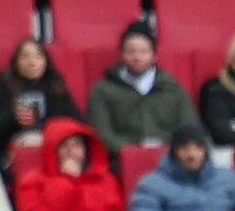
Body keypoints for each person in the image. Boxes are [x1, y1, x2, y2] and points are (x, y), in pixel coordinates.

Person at [85, 21, 198, 157]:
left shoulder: (173, 89)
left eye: (144, 51)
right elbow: (101, 132)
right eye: (131, 51)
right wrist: (131, 152)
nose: (137, 57)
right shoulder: (102, 90)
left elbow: (190, 128)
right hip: (120, 159)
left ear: (154, 55)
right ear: (122, 54)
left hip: (170, 159)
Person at [0, 38, 81, 167]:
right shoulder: (1, 91)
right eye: (25, 56)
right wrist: (12, 118)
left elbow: (78, 124)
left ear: (45, 62)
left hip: (53, 150)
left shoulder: (57, 91)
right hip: (11, 155)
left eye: (38, 56)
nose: (32, 62)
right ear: (16, 62)